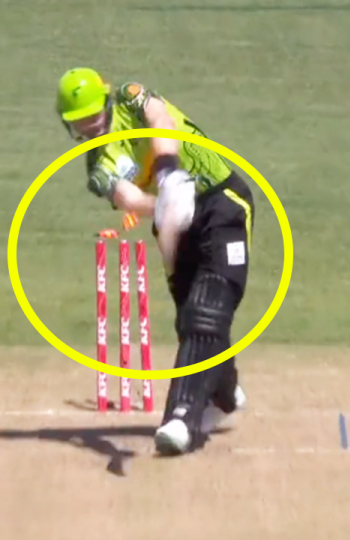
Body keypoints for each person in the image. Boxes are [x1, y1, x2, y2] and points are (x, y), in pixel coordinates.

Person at [55, 67, 252, 455]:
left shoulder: (129, 96)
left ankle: (179, 419)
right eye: (78, 122)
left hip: (220, 198)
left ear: (106, 101)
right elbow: (127, 198)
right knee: (191, 320)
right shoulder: (97, 166)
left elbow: (161, 119)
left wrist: (167, 173)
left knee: (206, 311)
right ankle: (224, 394)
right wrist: (163, 203)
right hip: (173, 222)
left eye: (92, 116)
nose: (88, 126)